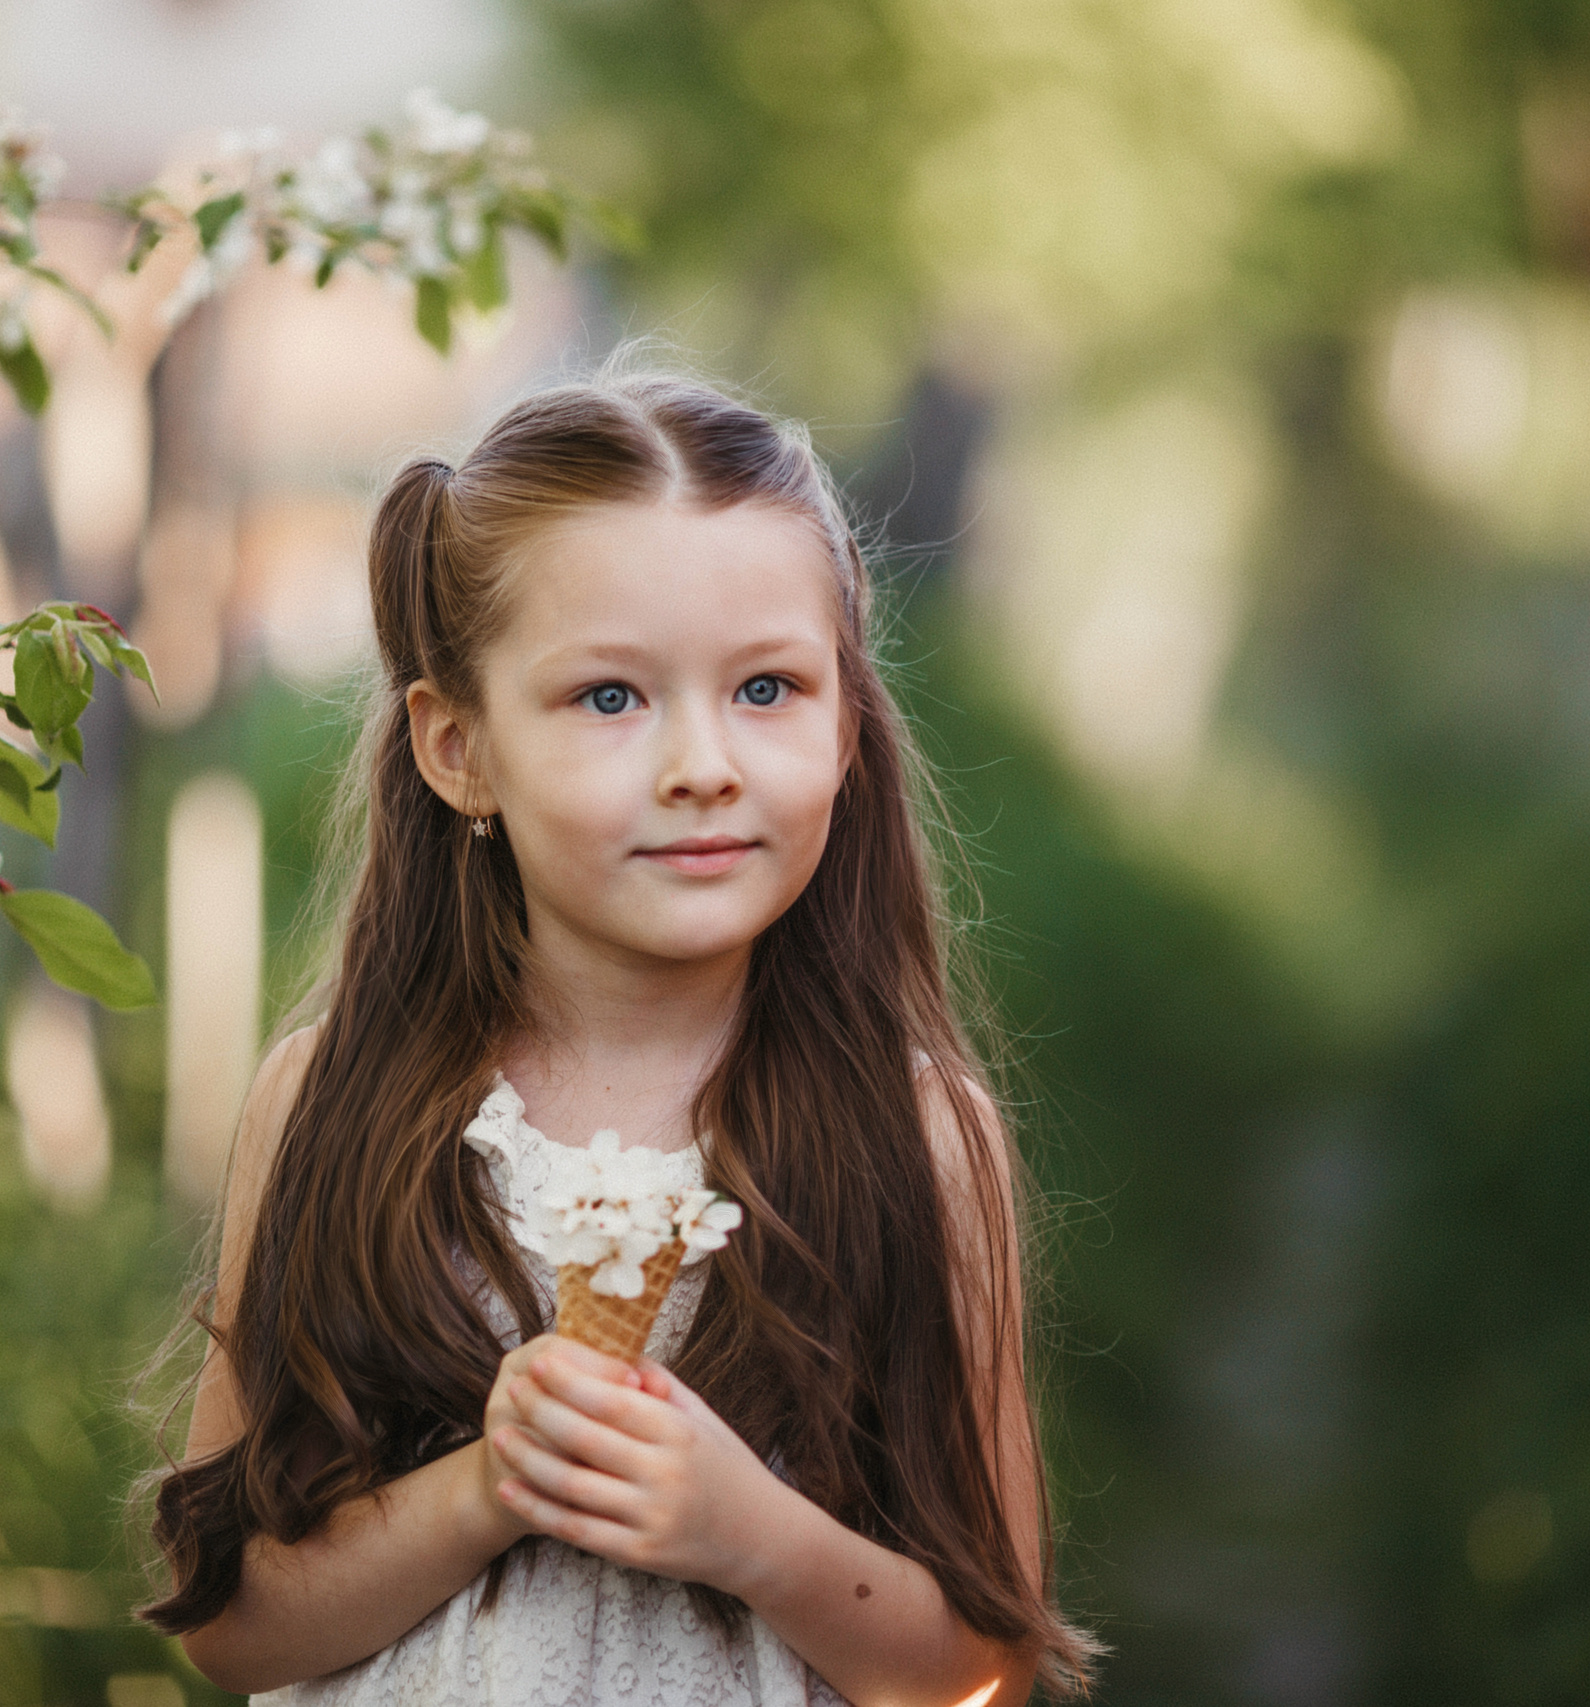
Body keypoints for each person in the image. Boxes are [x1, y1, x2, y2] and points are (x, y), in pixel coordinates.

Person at [141, 369, 1096, 1705]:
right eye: (609, 698)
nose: (702, 764)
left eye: (767, 688)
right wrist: (492, 1486)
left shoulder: (914, 1137)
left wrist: (748, 1535)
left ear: (847, 730)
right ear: (458, 748)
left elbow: (978, 1665)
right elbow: (232, 1623)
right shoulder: (330, 1105)